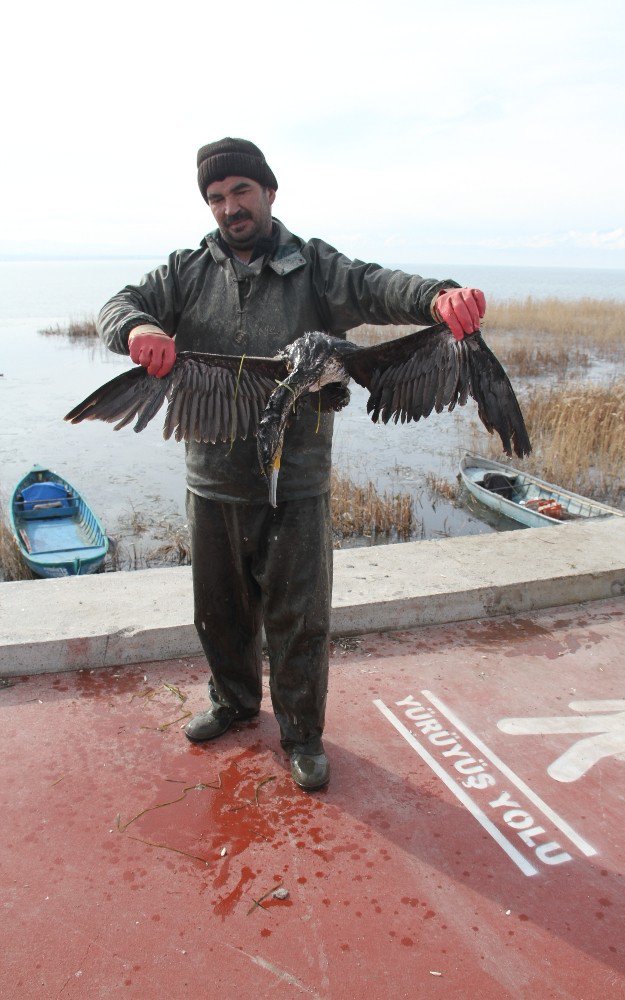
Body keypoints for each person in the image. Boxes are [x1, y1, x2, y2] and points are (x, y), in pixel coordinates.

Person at [97, 137, 486, 791]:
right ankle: (233, 703)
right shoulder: (186, 271)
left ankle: (302, 733)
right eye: (217, 197)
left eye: (241, 191)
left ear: (269, 192)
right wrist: (137, 330)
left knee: (300, 617)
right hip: (212, 481)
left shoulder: (316, 268)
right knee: (218, 610)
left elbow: (377, 285)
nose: (230, 207)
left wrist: (437, 297)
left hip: (297, 482)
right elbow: (117, 306)